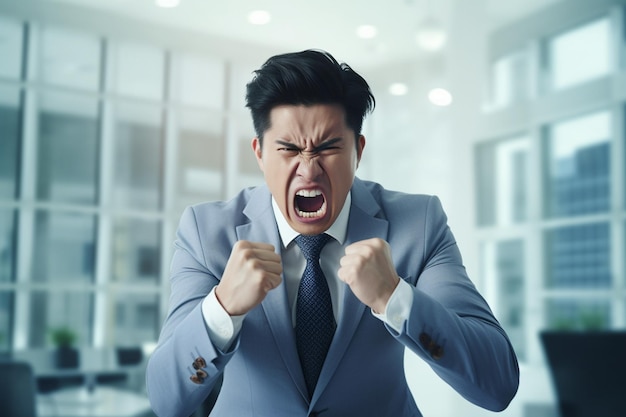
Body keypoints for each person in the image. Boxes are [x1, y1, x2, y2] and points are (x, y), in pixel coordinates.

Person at [146, 49, 519, 417]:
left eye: (327, 148)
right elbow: (166, 399)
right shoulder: (207, 232)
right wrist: (222, 307)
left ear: (358, 150)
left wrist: (396, 298)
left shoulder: (418, 224)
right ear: (259, 153)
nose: (308, 171)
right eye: (289, 149)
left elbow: (497, 384)